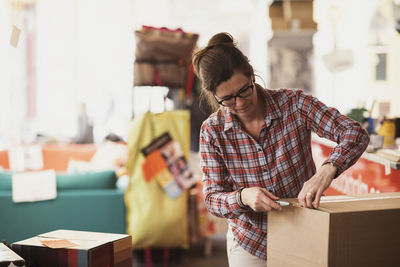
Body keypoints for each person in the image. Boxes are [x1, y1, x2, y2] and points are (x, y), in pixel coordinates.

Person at [192, 32, 369, 266]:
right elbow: (213, 198)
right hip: (250, 242)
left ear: (252, 76)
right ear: (215, 97)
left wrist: (327, 171)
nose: (241, 102)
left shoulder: (294, 105)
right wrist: (243, 196)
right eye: (228, 99)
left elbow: (354, 133)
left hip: (305, 232)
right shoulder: (212, 132)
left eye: (245, 90)